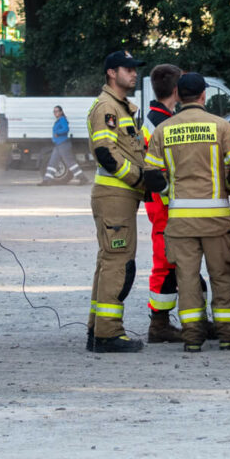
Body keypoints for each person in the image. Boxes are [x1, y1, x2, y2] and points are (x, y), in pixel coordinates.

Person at [143, 73, 230, 352]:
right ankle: (229, 337)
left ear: (178, 94)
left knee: (186, 279)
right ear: (204, 95)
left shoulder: (163, 129)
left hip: (180, 221)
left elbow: (152, 175)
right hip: (216, 219)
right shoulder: (221, 127)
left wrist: (169, 193)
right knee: (223, 276)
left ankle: (192, 338)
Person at [84, 50, 147, 353]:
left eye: (135, 69)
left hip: (119, 195)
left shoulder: (120, 107)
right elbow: (105, 154)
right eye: (128, 68)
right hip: (115, 194)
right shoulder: (107, 108)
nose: (134, 73)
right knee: (119, 263)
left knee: (109, 260)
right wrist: (138, 179)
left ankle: (97, 329)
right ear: (111, 73)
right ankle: (108, 334)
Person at [139, 64, 185, 342]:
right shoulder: (160, 123)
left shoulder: (156, 117)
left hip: (160, 202)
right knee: (165, 263)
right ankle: (159, 324)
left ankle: (189, 319)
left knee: (177, 262)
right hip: (162, 204)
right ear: (176, 90)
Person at [41, 105, 85, 185]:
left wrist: (58, 133)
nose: (55, 113)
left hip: (63, 144)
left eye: (57, 111)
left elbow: (66, 129)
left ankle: (83, 178)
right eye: (54, 111)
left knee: (70, 163)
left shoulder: (62, 119)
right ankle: (46, 181)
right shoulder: (58, 120)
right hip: (58, 144)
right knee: (52, 162)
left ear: (61, 112)